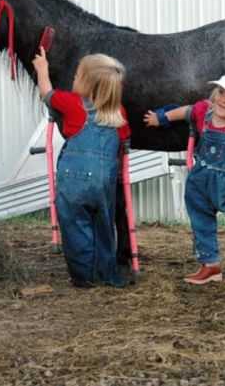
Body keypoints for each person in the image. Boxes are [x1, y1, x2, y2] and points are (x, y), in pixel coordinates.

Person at [144, 69, 225, 284]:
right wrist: (161, 118)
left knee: (206, 210)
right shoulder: (205, 112)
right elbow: (186, 111)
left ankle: (210, 264)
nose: (223, 100)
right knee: (199, 218)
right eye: (221, 92)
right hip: (200, 176)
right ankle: (210, 266)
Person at [33, 49, 130, 288]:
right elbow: (122, 146)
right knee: (103, 227)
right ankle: (106, 273)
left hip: (73, 181)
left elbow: (46, 93)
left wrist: (42, 69)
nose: (73, 79)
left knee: (75, 226)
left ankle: (84, 276)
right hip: (104, 183)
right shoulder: (119, 114)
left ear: (87, 83)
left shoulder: (72, 104)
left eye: (77, 75)